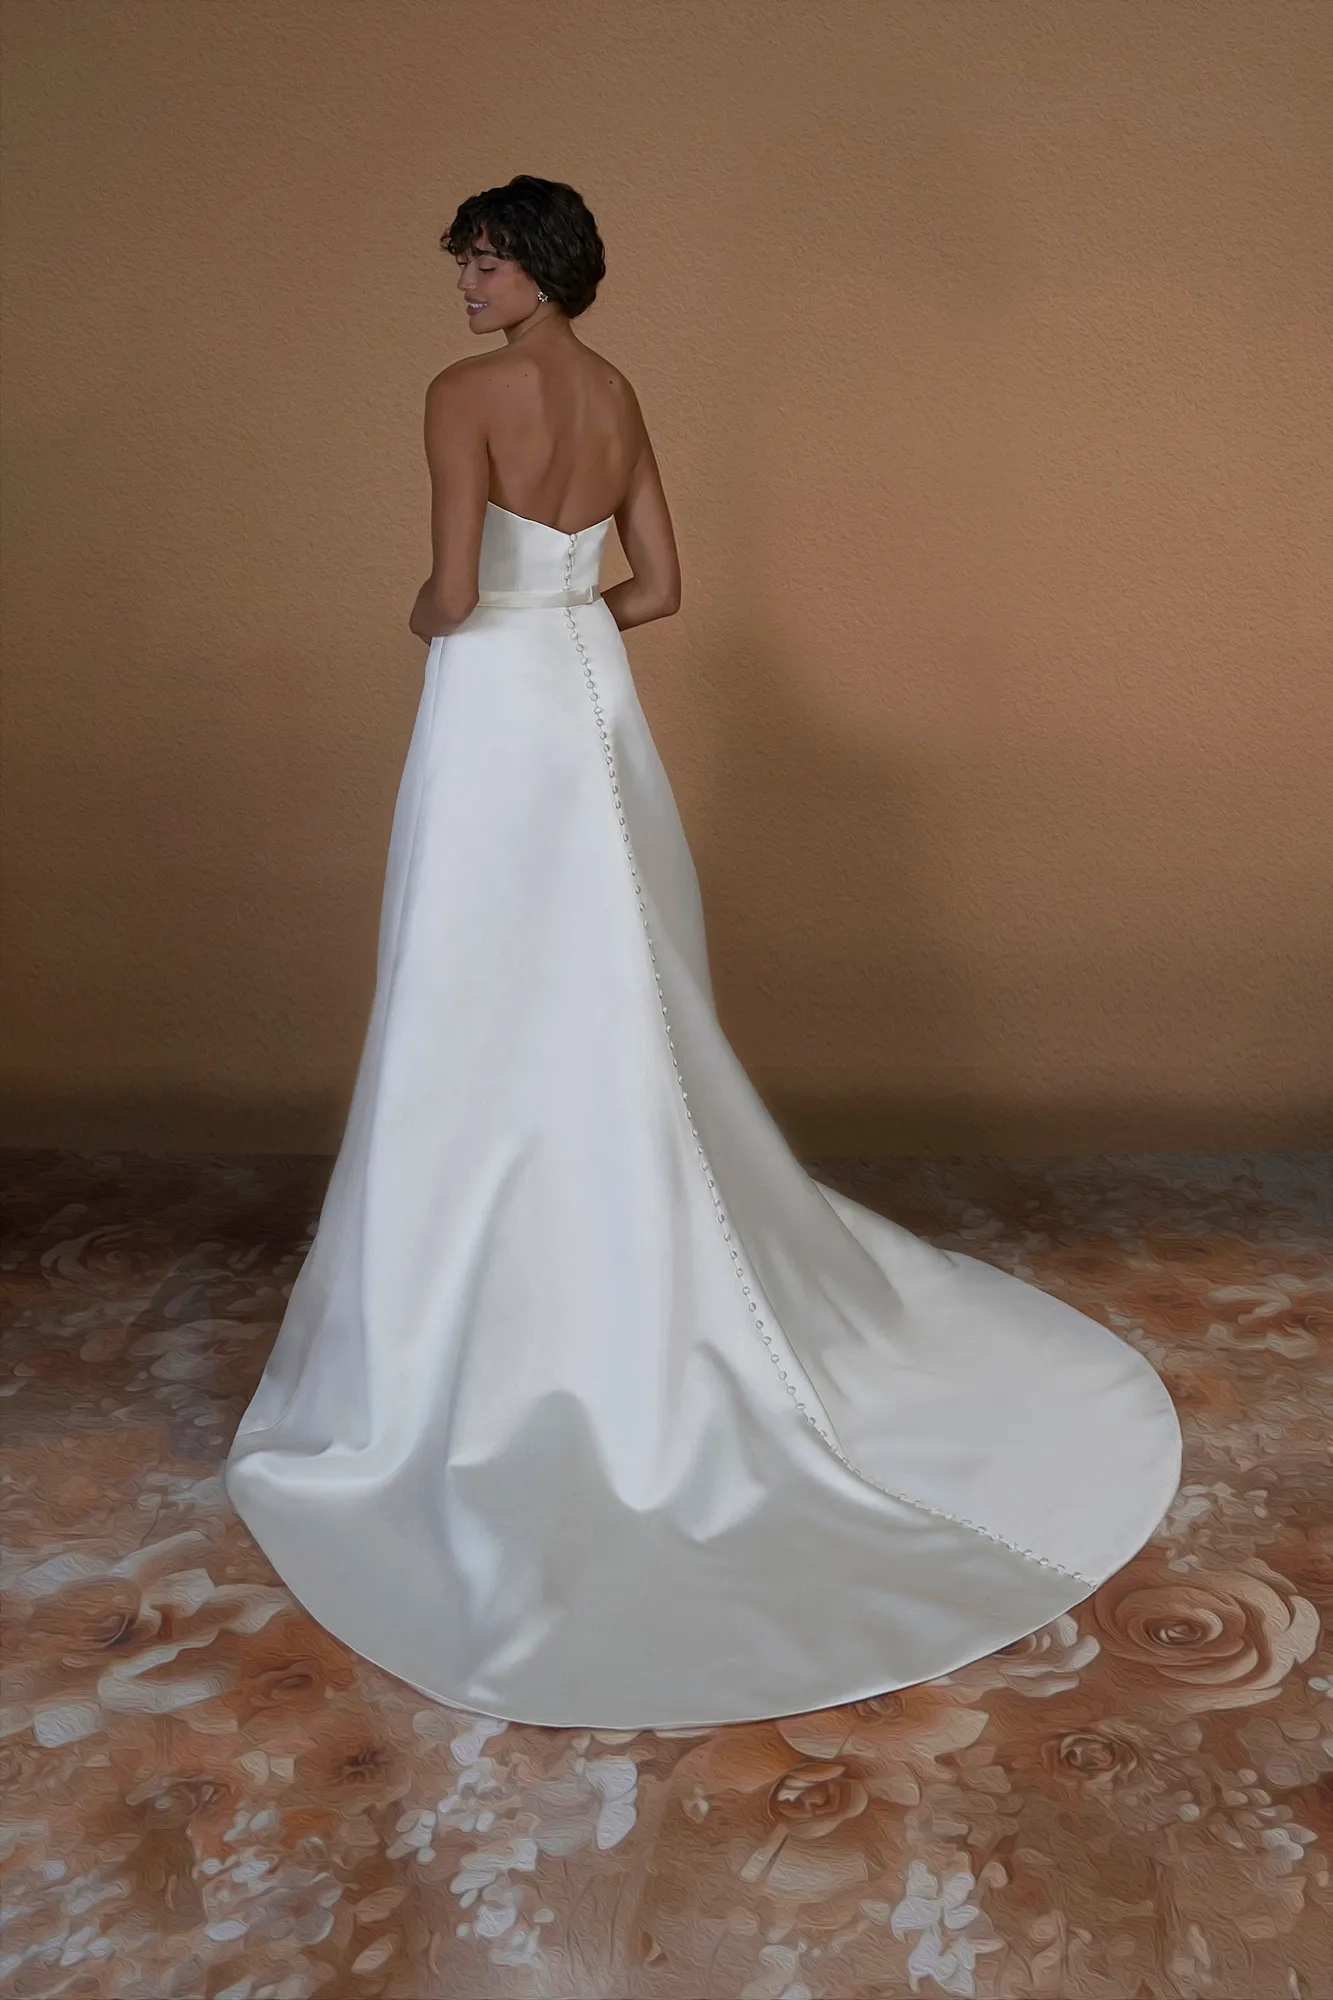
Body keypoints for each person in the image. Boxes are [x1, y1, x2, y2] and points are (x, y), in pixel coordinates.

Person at [224, 174, 1181, 1729]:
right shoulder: (617, 396)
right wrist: (568, 623)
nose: (466, 287)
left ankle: (492, 1289)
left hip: (495, 711)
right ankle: (624, 1255)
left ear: (538, 268)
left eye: (485, 264)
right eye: (465, 266)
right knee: (616, 995)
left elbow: (452, 591)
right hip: (589, 701)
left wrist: (438, 618)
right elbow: (662, 587)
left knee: (475, 998)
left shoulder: (462, 395)